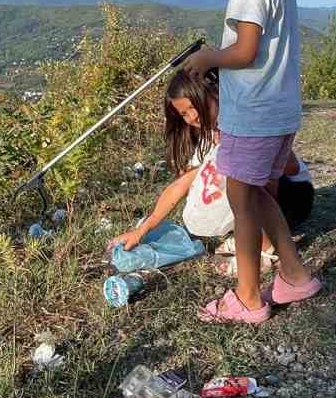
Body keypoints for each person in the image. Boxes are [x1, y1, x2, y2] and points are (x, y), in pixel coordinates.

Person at [182, 0, 323, 324]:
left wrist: (206, 58)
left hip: (254, 114)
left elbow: (244, 52)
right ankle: (295, 276)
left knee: (240, 199)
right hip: (280, 111)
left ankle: (247, 297)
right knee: (257, 193)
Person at [105, 67, 313, 259]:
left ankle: (266, 247)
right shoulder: (209, 134)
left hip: (293, 196)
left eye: (194, 106)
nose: (192, 116)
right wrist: (142, 230)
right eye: (184, 113)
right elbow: (182, 184)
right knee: (220, 180)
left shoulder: (246, 124)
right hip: (260, 197)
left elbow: (287, 167)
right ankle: (249, 234)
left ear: (215, 93)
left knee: (242, 176)